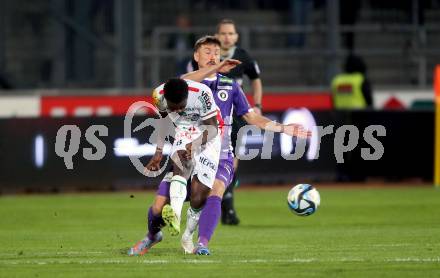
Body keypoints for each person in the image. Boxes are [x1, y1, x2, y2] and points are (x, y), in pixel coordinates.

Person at [128, 36, 311, 256]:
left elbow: (252, 118)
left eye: (217, 52)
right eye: (207, 51)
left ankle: (202, 243)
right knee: (158, 207)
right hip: (187, 151)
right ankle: (152, 236)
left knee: (215, 191)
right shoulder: (183, 86)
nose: (213, 56)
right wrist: (159, 151)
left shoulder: (230, 86)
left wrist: (283, 128)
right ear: (196, 56)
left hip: (221, 152)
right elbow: (167, 112)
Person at [128, 77, 221, 255]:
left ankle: (187, 236)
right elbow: (163, 121)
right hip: (184, 132)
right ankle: (171, 219)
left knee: (197, 197)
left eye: (181, 106)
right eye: (173, 107)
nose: (177, 111)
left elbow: (213, 129)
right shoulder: (158, 95)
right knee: (159, 205)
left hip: (207, 136)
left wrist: (195, 145)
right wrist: (158, 152)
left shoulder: (202, 94)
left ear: (187, 97)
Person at [187, 19, 264, 225]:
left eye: (231, 33)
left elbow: (256, 80)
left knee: (230, 160)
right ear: (217, 36)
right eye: (223, 33)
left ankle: (227, 207)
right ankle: (199, 199)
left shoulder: (243, 57)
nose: (227, 37)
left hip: (233, 116)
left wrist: (257, 104)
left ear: (236, 36)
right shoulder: (204, 58)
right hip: (203, 120)